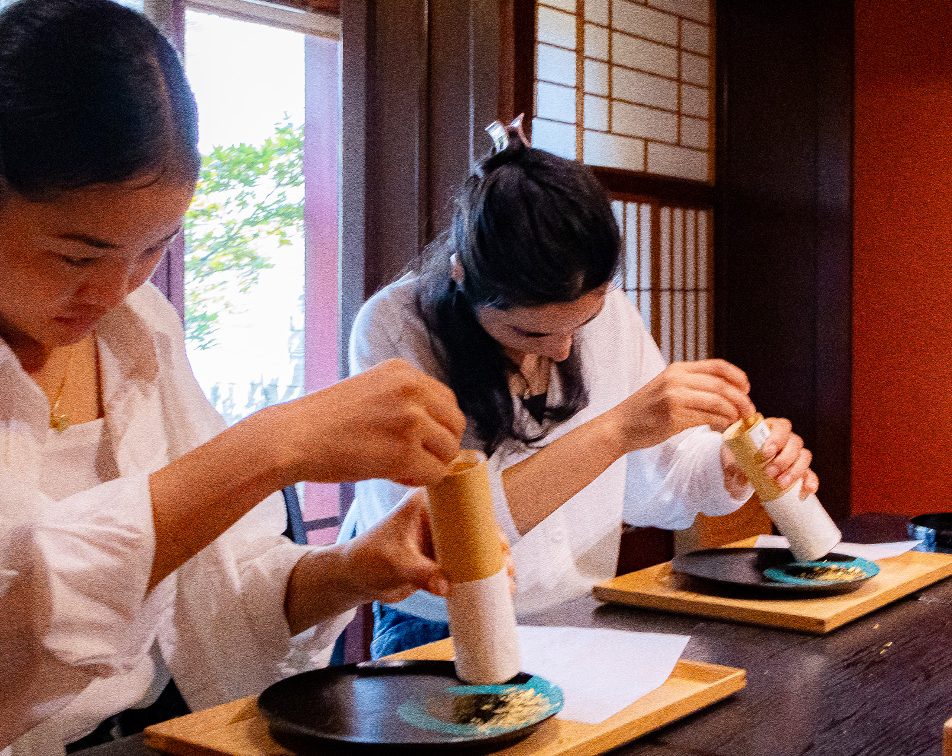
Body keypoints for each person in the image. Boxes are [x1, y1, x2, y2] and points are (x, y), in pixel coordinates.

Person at [0, 0, 465, 756]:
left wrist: (352, 569)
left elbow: (217, 600)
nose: (114, 289)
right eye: (77, 256)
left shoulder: (137, 328)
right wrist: (265, 449)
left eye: (153, 248)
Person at [341, 121, 818, 658]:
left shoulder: (610, 312)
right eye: (531, 331)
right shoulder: (395, 327)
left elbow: (655, 481)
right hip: (439, 627)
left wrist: (729, 467)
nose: (564, 349)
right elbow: (431, 538)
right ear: (461, 275)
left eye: (582, 322)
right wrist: (616, 431)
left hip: (580, 609)